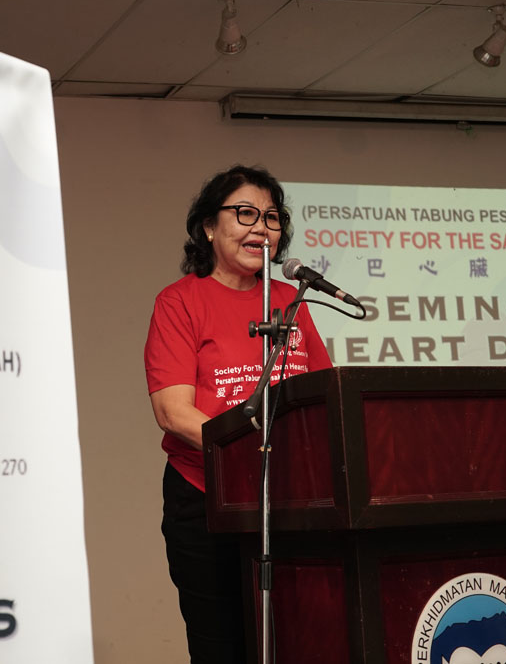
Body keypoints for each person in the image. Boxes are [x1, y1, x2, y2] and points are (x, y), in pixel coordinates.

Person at [143, 165, 333, 663]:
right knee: (222, 648)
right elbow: (173, 413)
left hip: (291, 500)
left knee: (299, 643)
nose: (260, 227)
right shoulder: (180, 302)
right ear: (209, 226)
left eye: (271, 217)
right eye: (245, 213)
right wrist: (256, 451)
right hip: (208, 498)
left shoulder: (291, 301)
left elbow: (324, 397)